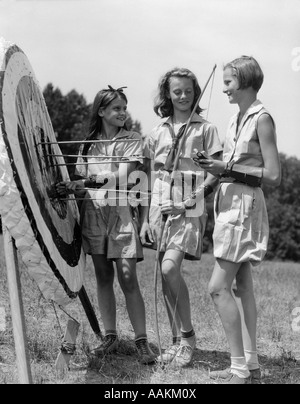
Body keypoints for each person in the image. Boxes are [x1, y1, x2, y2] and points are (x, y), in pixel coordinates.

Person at [194, 56, 281, 384]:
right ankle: (251, 366)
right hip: (228, 203)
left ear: (244, 82)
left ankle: (239, 369)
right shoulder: (233, 120)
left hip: (245, 204)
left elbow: (273, 174)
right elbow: (226, 167)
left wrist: (227, 169)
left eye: (229, 83)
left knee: (217, 288)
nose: (225, 89)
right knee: (242, 286)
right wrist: (202, 188)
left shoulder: (262, 119)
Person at [56, 86, 156, 365]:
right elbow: (78, 185)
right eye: (116, 108)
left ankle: (141, 341)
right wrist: (66, 189)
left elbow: (123, 176)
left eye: (124, 108)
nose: (123, 113)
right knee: (102, 275)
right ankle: (109, 337)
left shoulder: (133, 139)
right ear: (101, 112)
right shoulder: (87, 145)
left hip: (121, 213)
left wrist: (83, 183)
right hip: (93, 214)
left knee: (127, 277)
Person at [141, 67, 223, 367]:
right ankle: (176, 342)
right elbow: (151, 174)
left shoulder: (206, 129)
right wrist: (147, 218)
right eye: (177, 91)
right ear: (168, 94)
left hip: (190, 203)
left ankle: (188, 337)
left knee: (169, 267)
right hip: (160, 204)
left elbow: (216, 175)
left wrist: (188, 202)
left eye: (189, 91)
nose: (184, 96)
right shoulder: (157, 131)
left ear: (196, 92)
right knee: (163, 275)